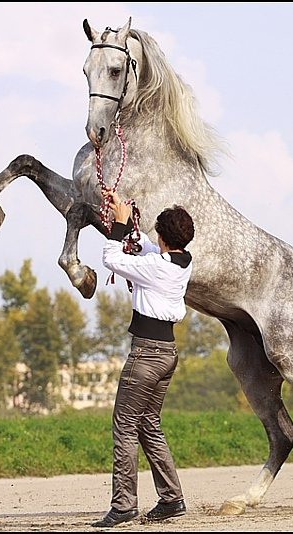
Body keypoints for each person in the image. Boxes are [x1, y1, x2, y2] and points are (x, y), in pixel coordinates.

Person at [92, 190, 195, 528]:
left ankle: (123, 505)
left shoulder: (156, 267)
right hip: (166, 353)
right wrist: (125, 213)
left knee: (124, 426)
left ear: (163, 236)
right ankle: (171, 498)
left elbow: (111, 257)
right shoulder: (180, 261)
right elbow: (148, 249)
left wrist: (120, 225)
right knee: (149, 424)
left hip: (146, 354)